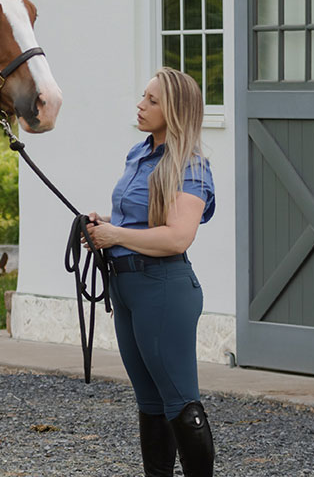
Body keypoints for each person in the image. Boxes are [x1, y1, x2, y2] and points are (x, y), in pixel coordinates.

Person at [83, 67, 217, 477]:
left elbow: (177, 237)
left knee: (181, 401)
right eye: (143, 96)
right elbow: (140, 221)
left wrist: (114, 234)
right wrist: (102, 225)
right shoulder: (139, 154)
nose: (141, 105)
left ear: (174, 110)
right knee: (150, 401)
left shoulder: (191, 167)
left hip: (163, 288)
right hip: (126, 288)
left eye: (152, 100)